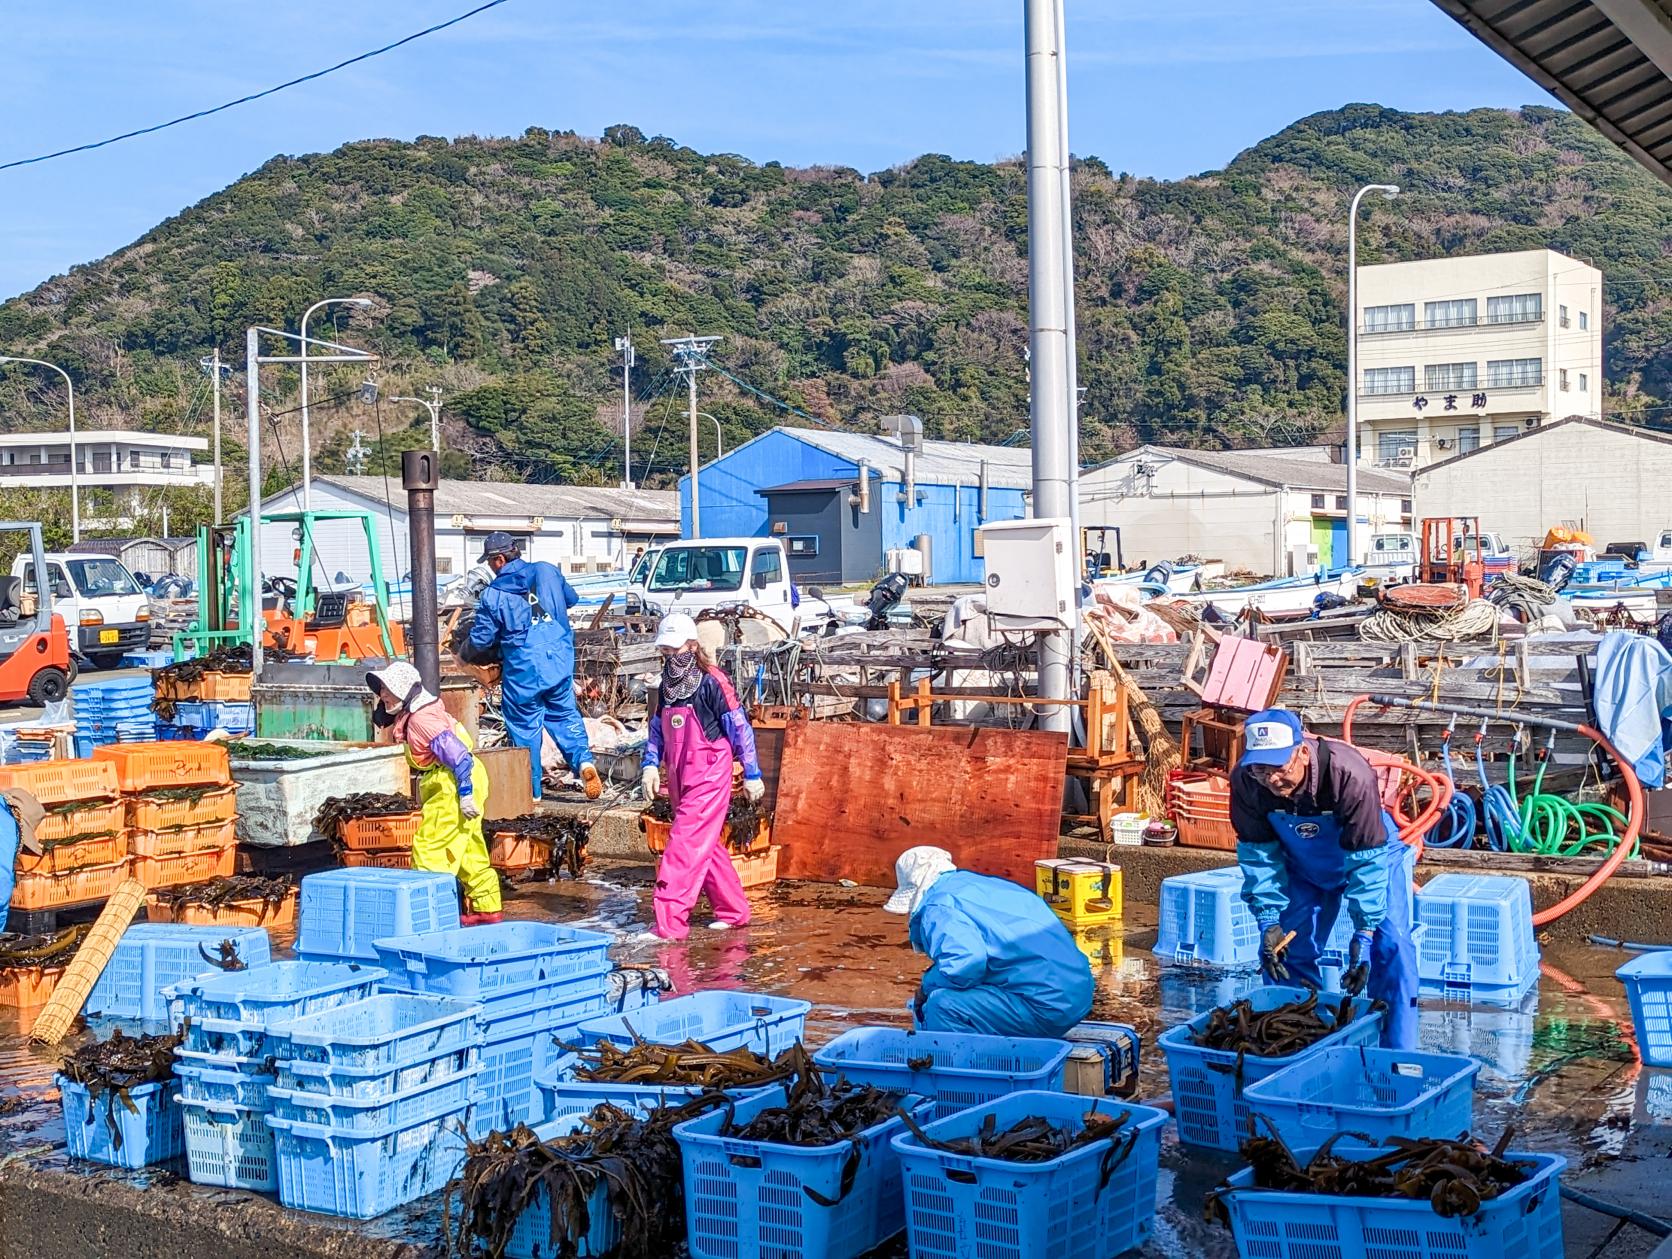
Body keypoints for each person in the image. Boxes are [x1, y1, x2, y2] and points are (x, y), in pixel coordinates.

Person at [1230, 707, 1418, 1049]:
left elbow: (1367, 859)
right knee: (1284, 953)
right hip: (1303, 866)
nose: (1271, 780)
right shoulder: (1246, 782)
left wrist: (1364, 929)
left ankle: (1395, 1053)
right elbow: (1258, 855)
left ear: (1302, 751)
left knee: (1392, 947)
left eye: (1278, 768)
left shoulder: (1349, 773)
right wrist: (1268, 920)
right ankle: (1299, 1044)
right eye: (1260, 770)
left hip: (1370, 857)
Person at [883, 845, 1094, 1038]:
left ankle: (961, 1073)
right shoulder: (982, 886)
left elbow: (964, 965)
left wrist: (925, 987)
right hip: (1078, 996)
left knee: (941, 1005)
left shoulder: (939, 907)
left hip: (1046, 1008)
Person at [639, 613, 763, 940]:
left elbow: (739, 728)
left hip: (710, 772)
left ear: (692, 645)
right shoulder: (666, 686)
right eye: (664, 651)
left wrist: (752, 772)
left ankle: (669, 923)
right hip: (680, 774)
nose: (669, 657)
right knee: (704, 846)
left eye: (674, 649)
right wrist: (650, 764)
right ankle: (734, 911)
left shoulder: (713, 682)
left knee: (683, 844)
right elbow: (656, 730)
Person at [366, 661, 502, 926]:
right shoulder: (414, 712)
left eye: (388, 689)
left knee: (430, 849)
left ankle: (430, 916)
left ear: (405, 690)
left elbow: (459, 757)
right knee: (468, 851)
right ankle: (487, 910)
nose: (383, 694)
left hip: (452, 781)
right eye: (381, 688)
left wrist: (465, 794)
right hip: (459, 777)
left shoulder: (421, 719)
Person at [469, 532, 601, 801]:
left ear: (499, 560)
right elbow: (571, 599)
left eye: (491, 562)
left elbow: (482, 639)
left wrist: (464, 652)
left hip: (524, 670)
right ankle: (584, 762)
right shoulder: (546, 570)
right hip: (558, 661)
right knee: (564, 715)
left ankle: (532, 791)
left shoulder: (493, 595)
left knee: (524, 726)